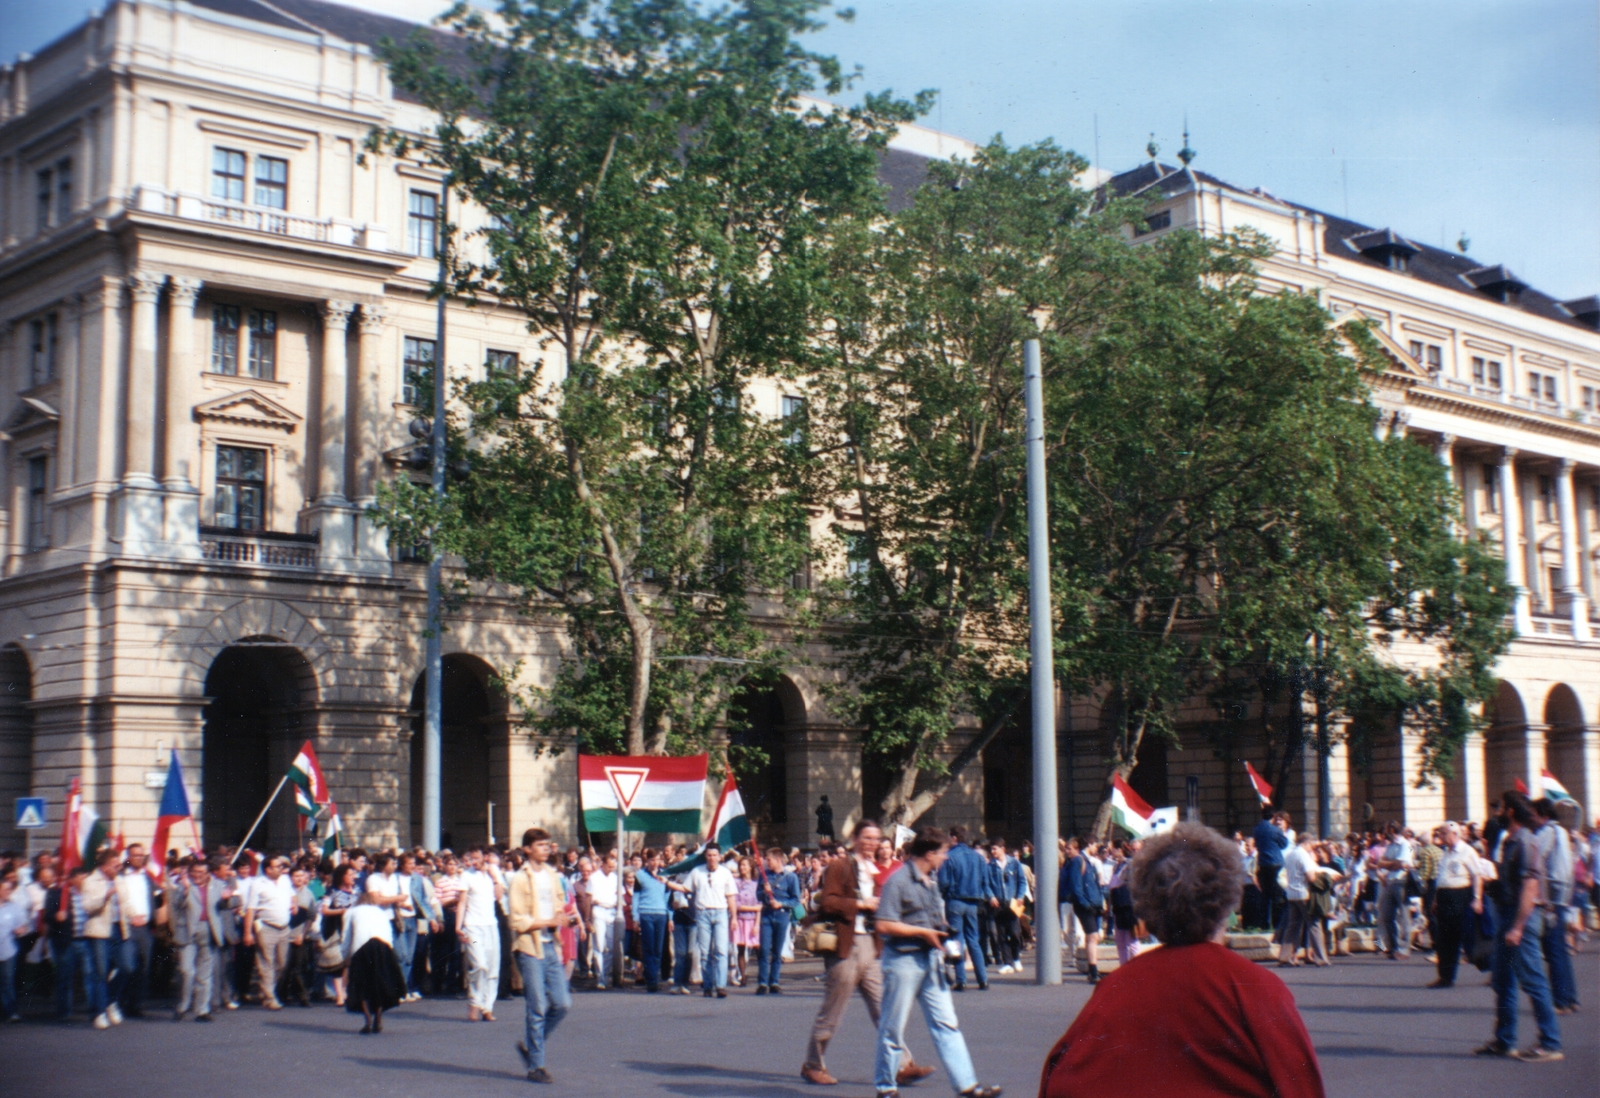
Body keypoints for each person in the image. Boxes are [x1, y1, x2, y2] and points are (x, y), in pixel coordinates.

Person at [1039, 823, 1324, 1098]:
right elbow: (1300, 1084)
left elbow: (1061, 1073)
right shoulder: (1254, 986)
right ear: (1228, 899)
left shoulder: (1113, 987)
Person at [873, 827, 1003, 1098]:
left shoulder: (931, 879)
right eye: (943, 853)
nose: (946, 858)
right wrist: (923, 932)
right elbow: (884, 923)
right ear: (929, 854)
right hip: (903, 961)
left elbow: (932, 918)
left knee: (947, 1023)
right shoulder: (898, 882)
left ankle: (967, 1085)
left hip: (931, 961)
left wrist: (942, 931)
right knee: (893, 1027)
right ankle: (886, 1088)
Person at [802, 819, 931, 1088]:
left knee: (885, 1008)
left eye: (876, 838)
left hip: (871, 947)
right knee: (833, 1011)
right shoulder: (840, 866)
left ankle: (902, 1064)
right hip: (846, 946)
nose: (872, 843)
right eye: (867, 838)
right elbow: (828, 901)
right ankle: (813, 1064)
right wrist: (862, 903)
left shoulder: (874, 871)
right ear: (856, 839)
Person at [1476, 791, 1562, 1061]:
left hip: (1520, 917)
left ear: (1511, 811)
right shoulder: (1510, 841)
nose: (1496, 813)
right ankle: (1505, 1040)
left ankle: (1550, 1043)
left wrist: (1518, 926)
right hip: (1506, 914)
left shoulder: (1525, 841)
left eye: (1500, 808)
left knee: (1533, 980)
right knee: (1503, 981)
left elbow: (1531, 886)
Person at [509, 828, 575, 1084]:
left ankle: (531, 1045)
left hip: (549, 944)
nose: (546, 849)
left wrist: (562, 918)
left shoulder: (551, 875)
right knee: (536, 1006)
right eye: (540, 845)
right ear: (527, 849)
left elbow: (559, 902)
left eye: (548, 845)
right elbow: (517, 919)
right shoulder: (519, 879)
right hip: (529, 946)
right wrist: (548, 920)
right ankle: (536, 1065)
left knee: (562, 1003)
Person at [1531, 798, 1579, 1014]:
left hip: (1549, 897)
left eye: (1534, 814)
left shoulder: (1545, 833)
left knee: (1553, 952)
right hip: (1562, 896)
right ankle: (1570, 997)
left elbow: (1535, 862)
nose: (1531, 818)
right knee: (1561, 950)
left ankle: (1560, 1001)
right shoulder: (1562, 833)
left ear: (1544, 815)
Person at [670, 844, 737, 998]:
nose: (712, 858)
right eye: (709, 855)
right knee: (705, 952)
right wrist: (667, 883)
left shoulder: (725, 873)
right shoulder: (697, 872)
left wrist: (733, 917)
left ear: (719, 857)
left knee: (721, 950)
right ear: (705, 856)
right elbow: (685, 889)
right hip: (702, 913)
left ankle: (720, 986)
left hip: (720, 912)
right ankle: (708, 985)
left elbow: (731, 896)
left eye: (715, 855)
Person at [168, 857, 228, 1022]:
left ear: (208, 873)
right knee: (187, 971)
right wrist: (186, 890)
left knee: (204, 974)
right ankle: (183, 1005)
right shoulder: (183, 885)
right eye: (194, 871)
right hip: (188, 931)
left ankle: (201, 1010)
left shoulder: (217, 885)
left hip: (209, 931)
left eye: (201, 872)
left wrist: (227, 898)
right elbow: (176, 905)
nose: (197, 875)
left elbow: (231, 904)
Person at [341, 885, 406, 1034]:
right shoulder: (380, 912)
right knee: (379, 984)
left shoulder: (351, 912)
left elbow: (346, 937)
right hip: (383, 948)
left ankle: (367, 1020)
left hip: (362, 948)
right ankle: (378, 1017)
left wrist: (346, 958)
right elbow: (388, 934)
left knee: (361, 985)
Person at [936, 827, 992, 991]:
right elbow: (984, 881)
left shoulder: (949, 857)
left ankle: (961, 980)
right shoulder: (978, 857)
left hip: (955, 900)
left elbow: (943, 882)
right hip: (973, 902)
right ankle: (983, 979)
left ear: (954, 838)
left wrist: (944, 895)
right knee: (974, 940)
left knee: (956, 940)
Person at [1429, 821, 1481, 988]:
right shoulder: (1446, 853)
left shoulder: (1467, 852)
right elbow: (1442, 879)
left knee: (1461, 936)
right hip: (1444, 896)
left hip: (1460, 895)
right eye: (1440, 834)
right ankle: (1445, 976)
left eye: (1444, 834)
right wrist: (1436, 900)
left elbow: (1477, 876)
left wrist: (1477, 898)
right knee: (1443, 938)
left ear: (1455, 834)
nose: (1441, 838)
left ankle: (1491, 968)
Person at [242, 854, 296, 1010]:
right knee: (266, 963)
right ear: (268, 869)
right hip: (266, 927)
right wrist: (248, 932)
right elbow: (250, 909)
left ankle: (266, 990)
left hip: (284, 928)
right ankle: (270, 998)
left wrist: (294, 904)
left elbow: (293, 896)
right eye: (278, 866)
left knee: (281, 963)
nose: (281, 869)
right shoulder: (258, 884)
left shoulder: (285, 880)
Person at [458, 845, 506, 1019]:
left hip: (491, 926)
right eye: (471, 858)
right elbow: (462, 902)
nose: (473, 862)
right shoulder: (466, 875)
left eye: (477, 858)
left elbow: (499, 896)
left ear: (485, 857)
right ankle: (474, 1002)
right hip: (473, 927)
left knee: (492, 966)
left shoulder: (493, 873)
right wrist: (458, 926)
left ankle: (487, 1007)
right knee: (479, 964)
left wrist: (495, 878)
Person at [113, 844, 159, 1018]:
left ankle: (135, 1005)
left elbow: (156, 898)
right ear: (128, 857)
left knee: (143, 968)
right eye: (135, 855)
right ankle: (118, 1002)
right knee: (127, 966)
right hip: (128, 926)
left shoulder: (147, 877)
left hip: (146, 928)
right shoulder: (121, 877)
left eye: (141, 855)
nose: (139, 858)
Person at [1279, 833, 1338, 966]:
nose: (1312, 848)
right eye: (1311, 845)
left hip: (1291, 894)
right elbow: (1311, 877)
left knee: (1293, 926)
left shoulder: (1290, 855)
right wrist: (1324, 877)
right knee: (1314, 925)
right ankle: (1321, 957)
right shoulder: (1303, 855)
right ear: (1307, 843)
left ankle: (1285, 956)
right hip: (1304, 894)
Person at [79, 848, 122, 1028]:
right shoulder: (90, 881)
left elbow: (127, 902)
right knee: (100, 972)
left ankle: (110, 1000)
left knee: (127, 966)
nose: (118, 867)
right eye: (115, 865)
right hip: (98, 931)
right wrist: (105, 896)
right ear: (105, 866)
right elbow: (88, 907)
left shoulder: (120, 880)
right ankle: (99, 1013)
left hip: (119, 928)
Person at [1060, 838, 1104, 984]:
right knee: (1092, 937)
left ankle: (1093, 970)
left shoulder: (1078, 861)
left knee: (1093, 937)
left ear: (1077, 849)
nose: (1067, 851)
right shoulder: (1078, 861)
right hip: (1086, 905)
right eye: (1067, 848)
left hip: (1088, 903)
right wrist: (1086, 904)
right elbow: (1076, 886)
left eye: (1070, 848)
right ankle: (1093, 971)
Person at [757, 846, 800, 994]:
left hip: (782, 915)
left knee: (777, 950)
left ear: (777, 860)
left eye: (768, 860)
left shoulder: (790, 877)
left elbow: (796, 900)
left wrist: (781, 903)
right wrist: (765, 892)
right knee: (763, 949)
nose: (766, 862)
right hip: (767, 915)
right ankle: (762, 982)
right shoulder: (764, 876)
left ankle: (774, 981)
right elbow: (758, 896)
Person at [631, 848, 670, 993]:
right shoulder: (640, 875)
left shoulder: (665, 875)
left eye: (657, 860)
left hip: (661, 915)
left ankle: (653, 974)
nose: (655, 863)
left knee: (659, 949)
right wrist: (635, 918)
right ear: (647, 861)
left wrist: (669, 917)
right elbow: (635, 898)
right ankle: (652, 981)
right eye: (652, 860)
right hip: (646, 913)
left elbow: (667, 897)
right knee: (648, 948)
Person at [1374, 821, 1414, 959]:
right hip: (1389, 881)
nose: (1385, 834)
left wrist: (1387, 864)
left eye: (1387, 831)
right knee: (1387, 916)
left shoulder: (1406, 845)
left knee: (1403, 916)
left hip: (1401, 882)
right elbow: (1382, 862)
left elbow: (1401, 864)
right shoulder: (1390, 846)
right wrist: (1389, 864)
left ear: (1392, 831)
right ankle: (1393, 947)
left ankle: (1404, 949)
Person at [984, 840, 1025, 974]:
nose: (993, 852)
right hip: (999, 904)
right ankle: (1007, 962)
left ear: (1003, 848)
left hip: (1012, 903)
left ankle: (1016, 958)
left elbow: (1021, 881)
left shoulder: (1014, 863)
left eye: (995, 849)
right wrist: (991, 897)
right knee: (1001, 934)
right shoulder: (990, 866)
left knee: (1014, 932)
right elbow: (986, 884)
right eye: (992, 849)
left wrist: (1020, 896)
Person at [1250, 809, 1289, 934]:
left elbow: (1256, 844)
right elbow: (1284, 844)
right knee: (1277, 896)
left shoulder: (1257, 829)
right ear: (1272, 817)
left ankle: (1265, 924)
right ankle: (1278, 924)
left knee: (1265, 896)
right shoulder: (1275, 829)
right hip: (1276, 864)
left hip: (1262, 864)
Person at [0, 875, 33, 1021]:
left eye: (9, 889)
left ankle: (11, 1011)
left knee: (8, 981)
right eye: (5, 889)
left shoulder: (14, 907)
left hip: (7, 950)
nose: (8, 892)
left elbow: (24, 926)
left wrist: (21, 930)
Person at [587, 850, 621, 989]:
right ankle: (600, 977)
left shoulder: (615, 878)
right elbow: (588, 898)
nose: (611, 869)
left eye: (613, 867)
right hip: (599, 910)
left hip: (611, 912)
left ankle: (604, 974)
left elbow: (620, 895)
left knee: (611, 947)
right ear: (603, 864)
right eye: (609, 866)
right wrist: (587, 918)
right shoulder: (594, 877)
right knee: (599, 945)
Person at [732, 857, 761, 987]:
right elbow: (736, 904)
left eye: (745, 865)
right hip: (740, 919)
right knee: (741, 948)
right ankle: (742, 975)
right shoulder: (736, 883)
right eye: (740, 865)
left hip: (753, 920)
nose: (742, 867)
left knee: (758, 948)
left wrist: (757, 924)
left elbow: (760, 905)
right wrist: (753, 908)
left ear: (751, 867)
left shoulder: (756, 884)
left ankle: (762, 975)